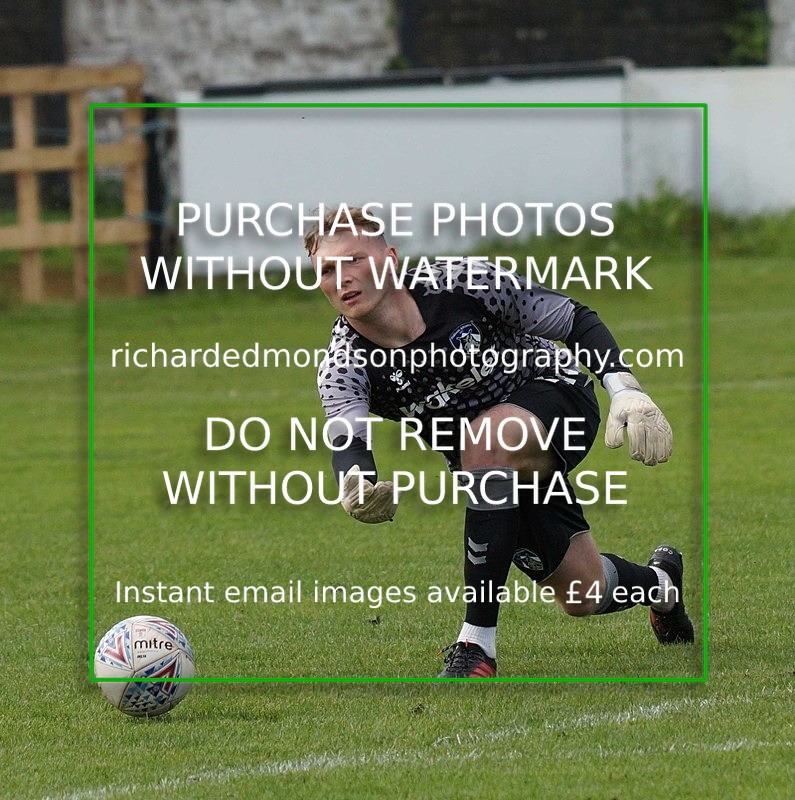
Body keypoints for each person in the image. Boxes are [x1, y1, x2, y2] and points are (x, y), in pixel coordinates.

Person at [306, 207, 694, 678]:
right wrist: (356, 485)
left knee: (487, 437)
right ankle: (661, 585)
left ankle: (476, 646)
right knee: (582, 593)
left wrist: (625, 390)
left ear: (389, 258)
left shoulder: (462, 282)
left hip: (555, 395)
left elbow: (572, 319)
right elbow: (348, 440)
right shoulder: (343, 364)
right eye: (327, 269)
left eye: (355, 260)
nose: (342, 277)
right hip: (490, 471)